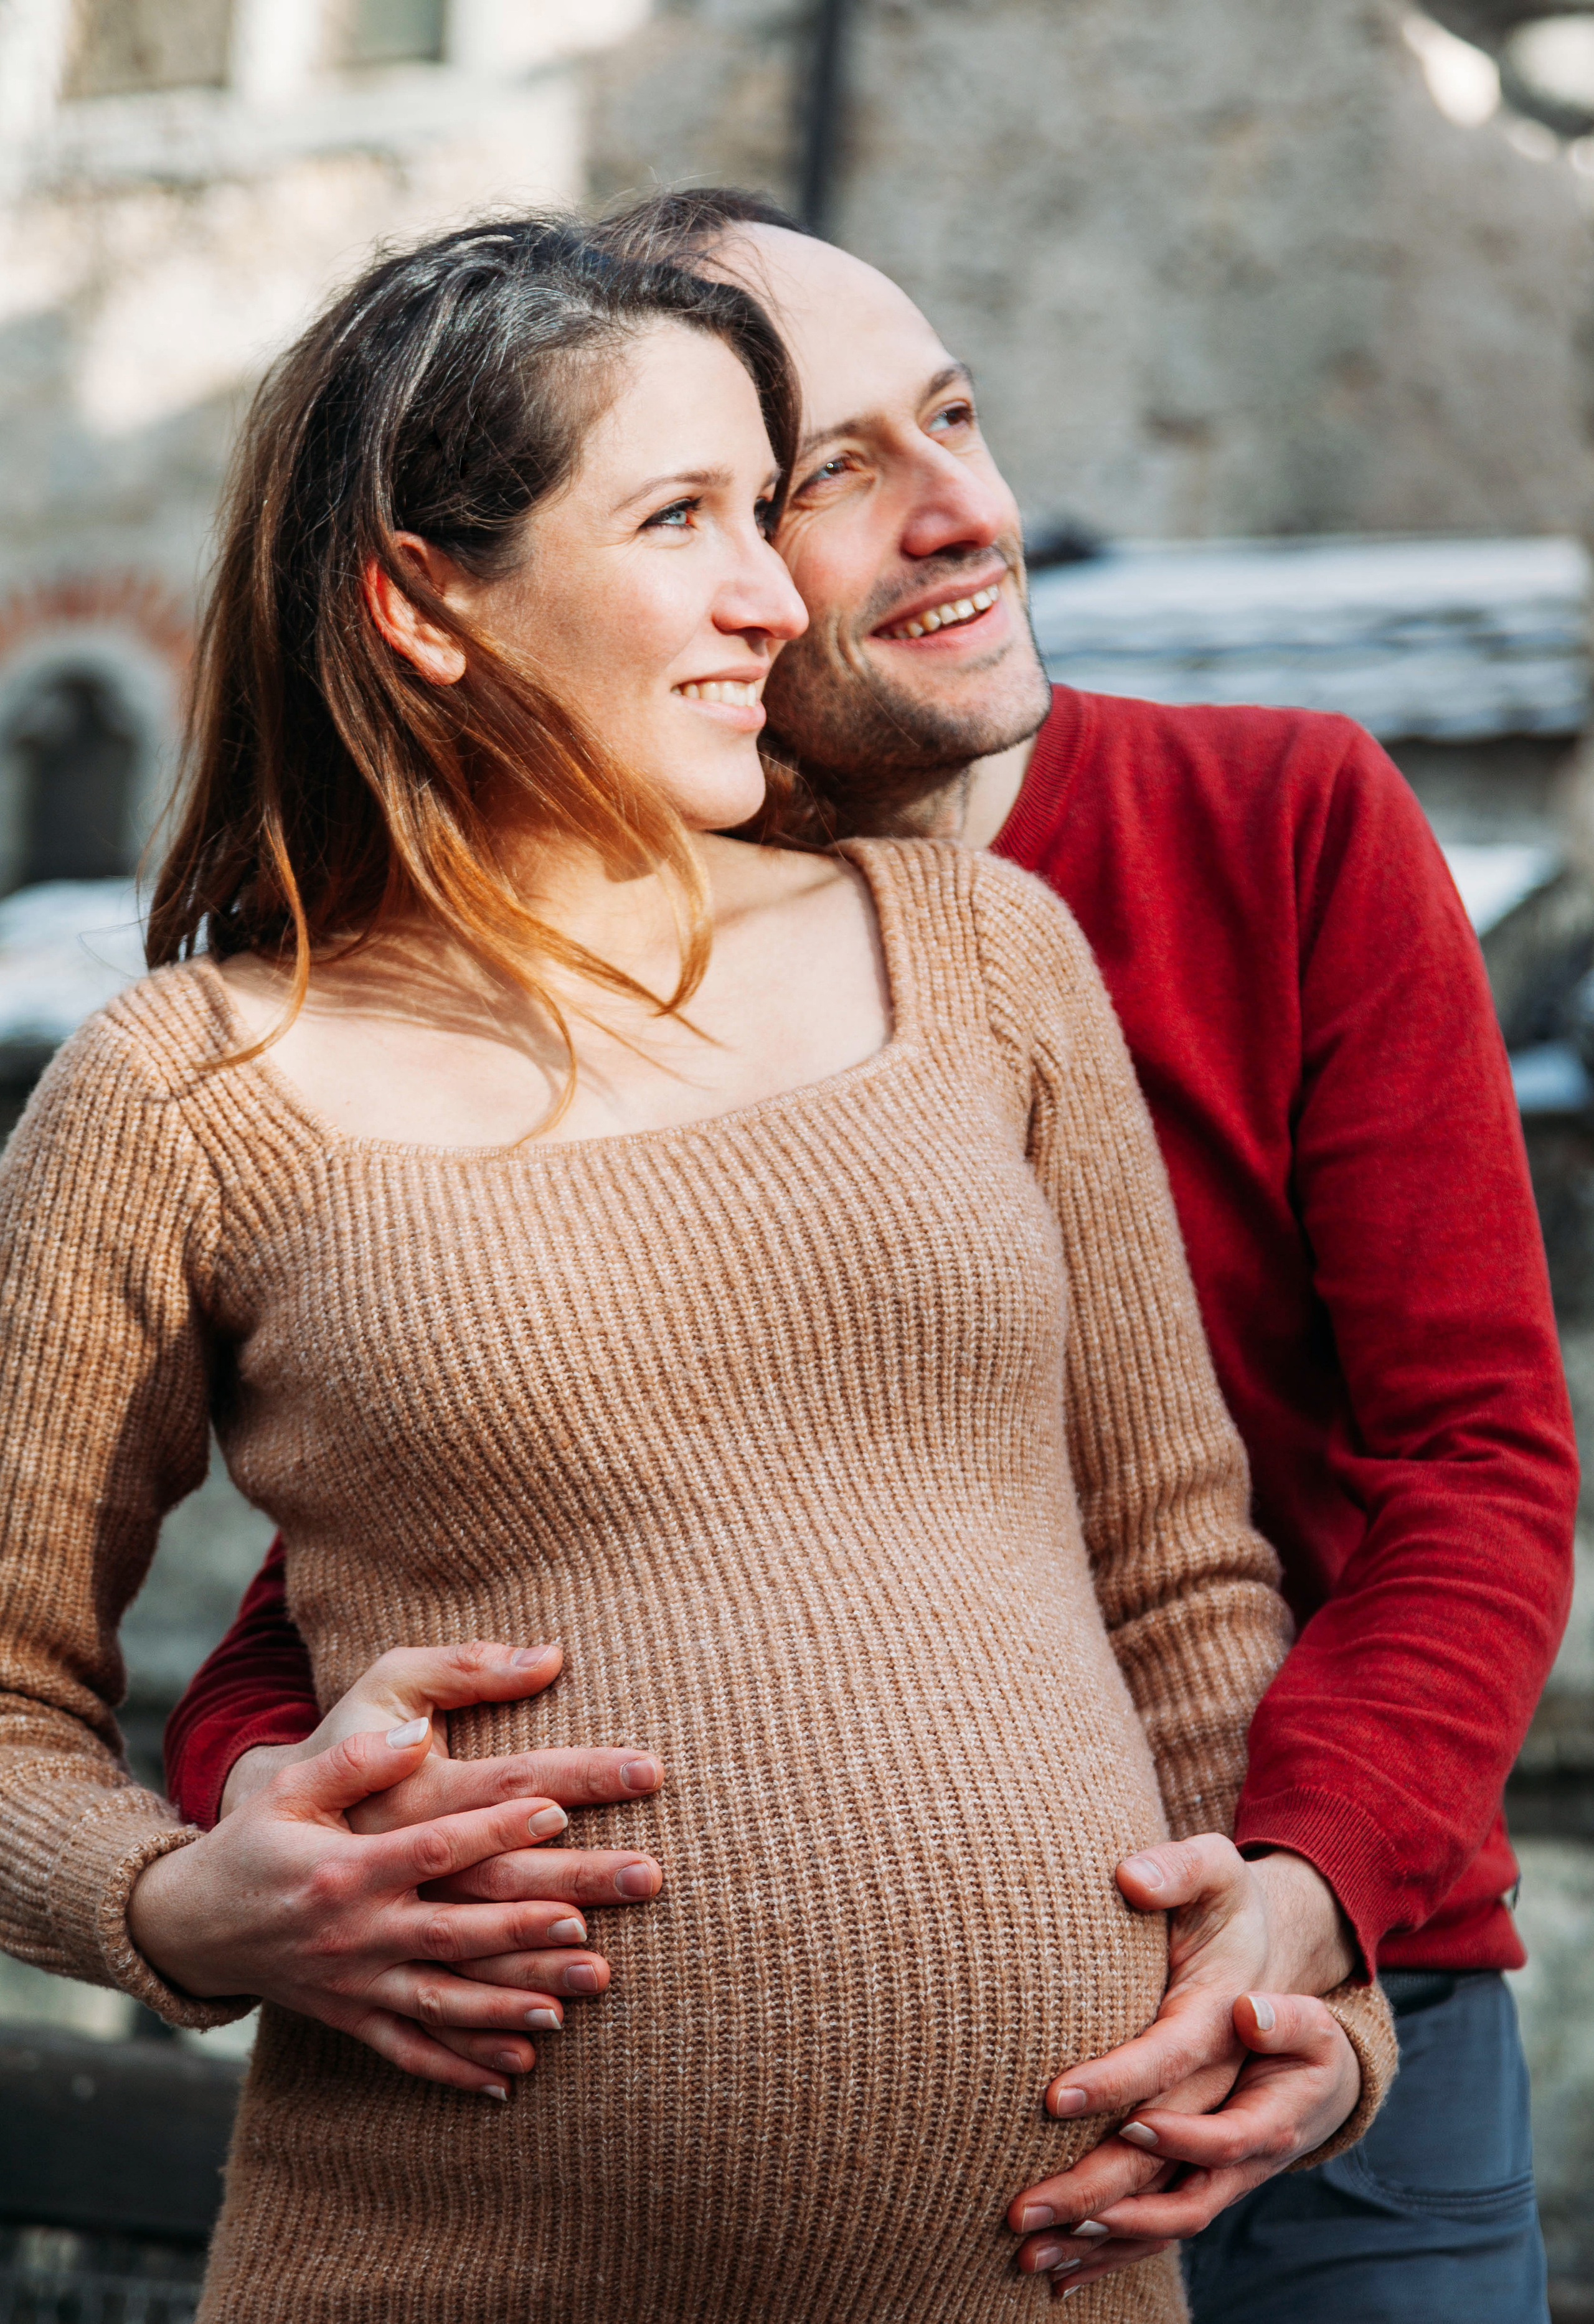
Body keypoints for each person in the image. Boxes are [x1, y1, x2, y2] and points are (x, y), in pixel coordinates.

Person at [165, 189, 1577, 2322]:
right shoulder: (560, 988)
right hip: (735, 2182)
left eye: (958, 416)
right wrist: (255, 1824)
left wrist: (1316, 1883)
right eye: (835, 473)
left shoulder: (1279, 820)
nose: (965, 514)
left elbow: (1474, 1458)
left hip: (1327, 2013)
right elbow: (398, 1538)